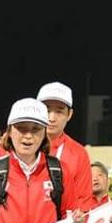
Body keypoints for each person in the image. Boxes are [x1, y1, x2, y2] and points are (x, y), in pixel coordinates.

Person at [38, 81, 95, 213]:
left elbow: (83, 204)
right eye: (46, 110)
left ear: (69, 114)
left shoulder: (78, 154)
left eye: (59, 111)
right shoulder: (17, 146)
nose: (51, 118)